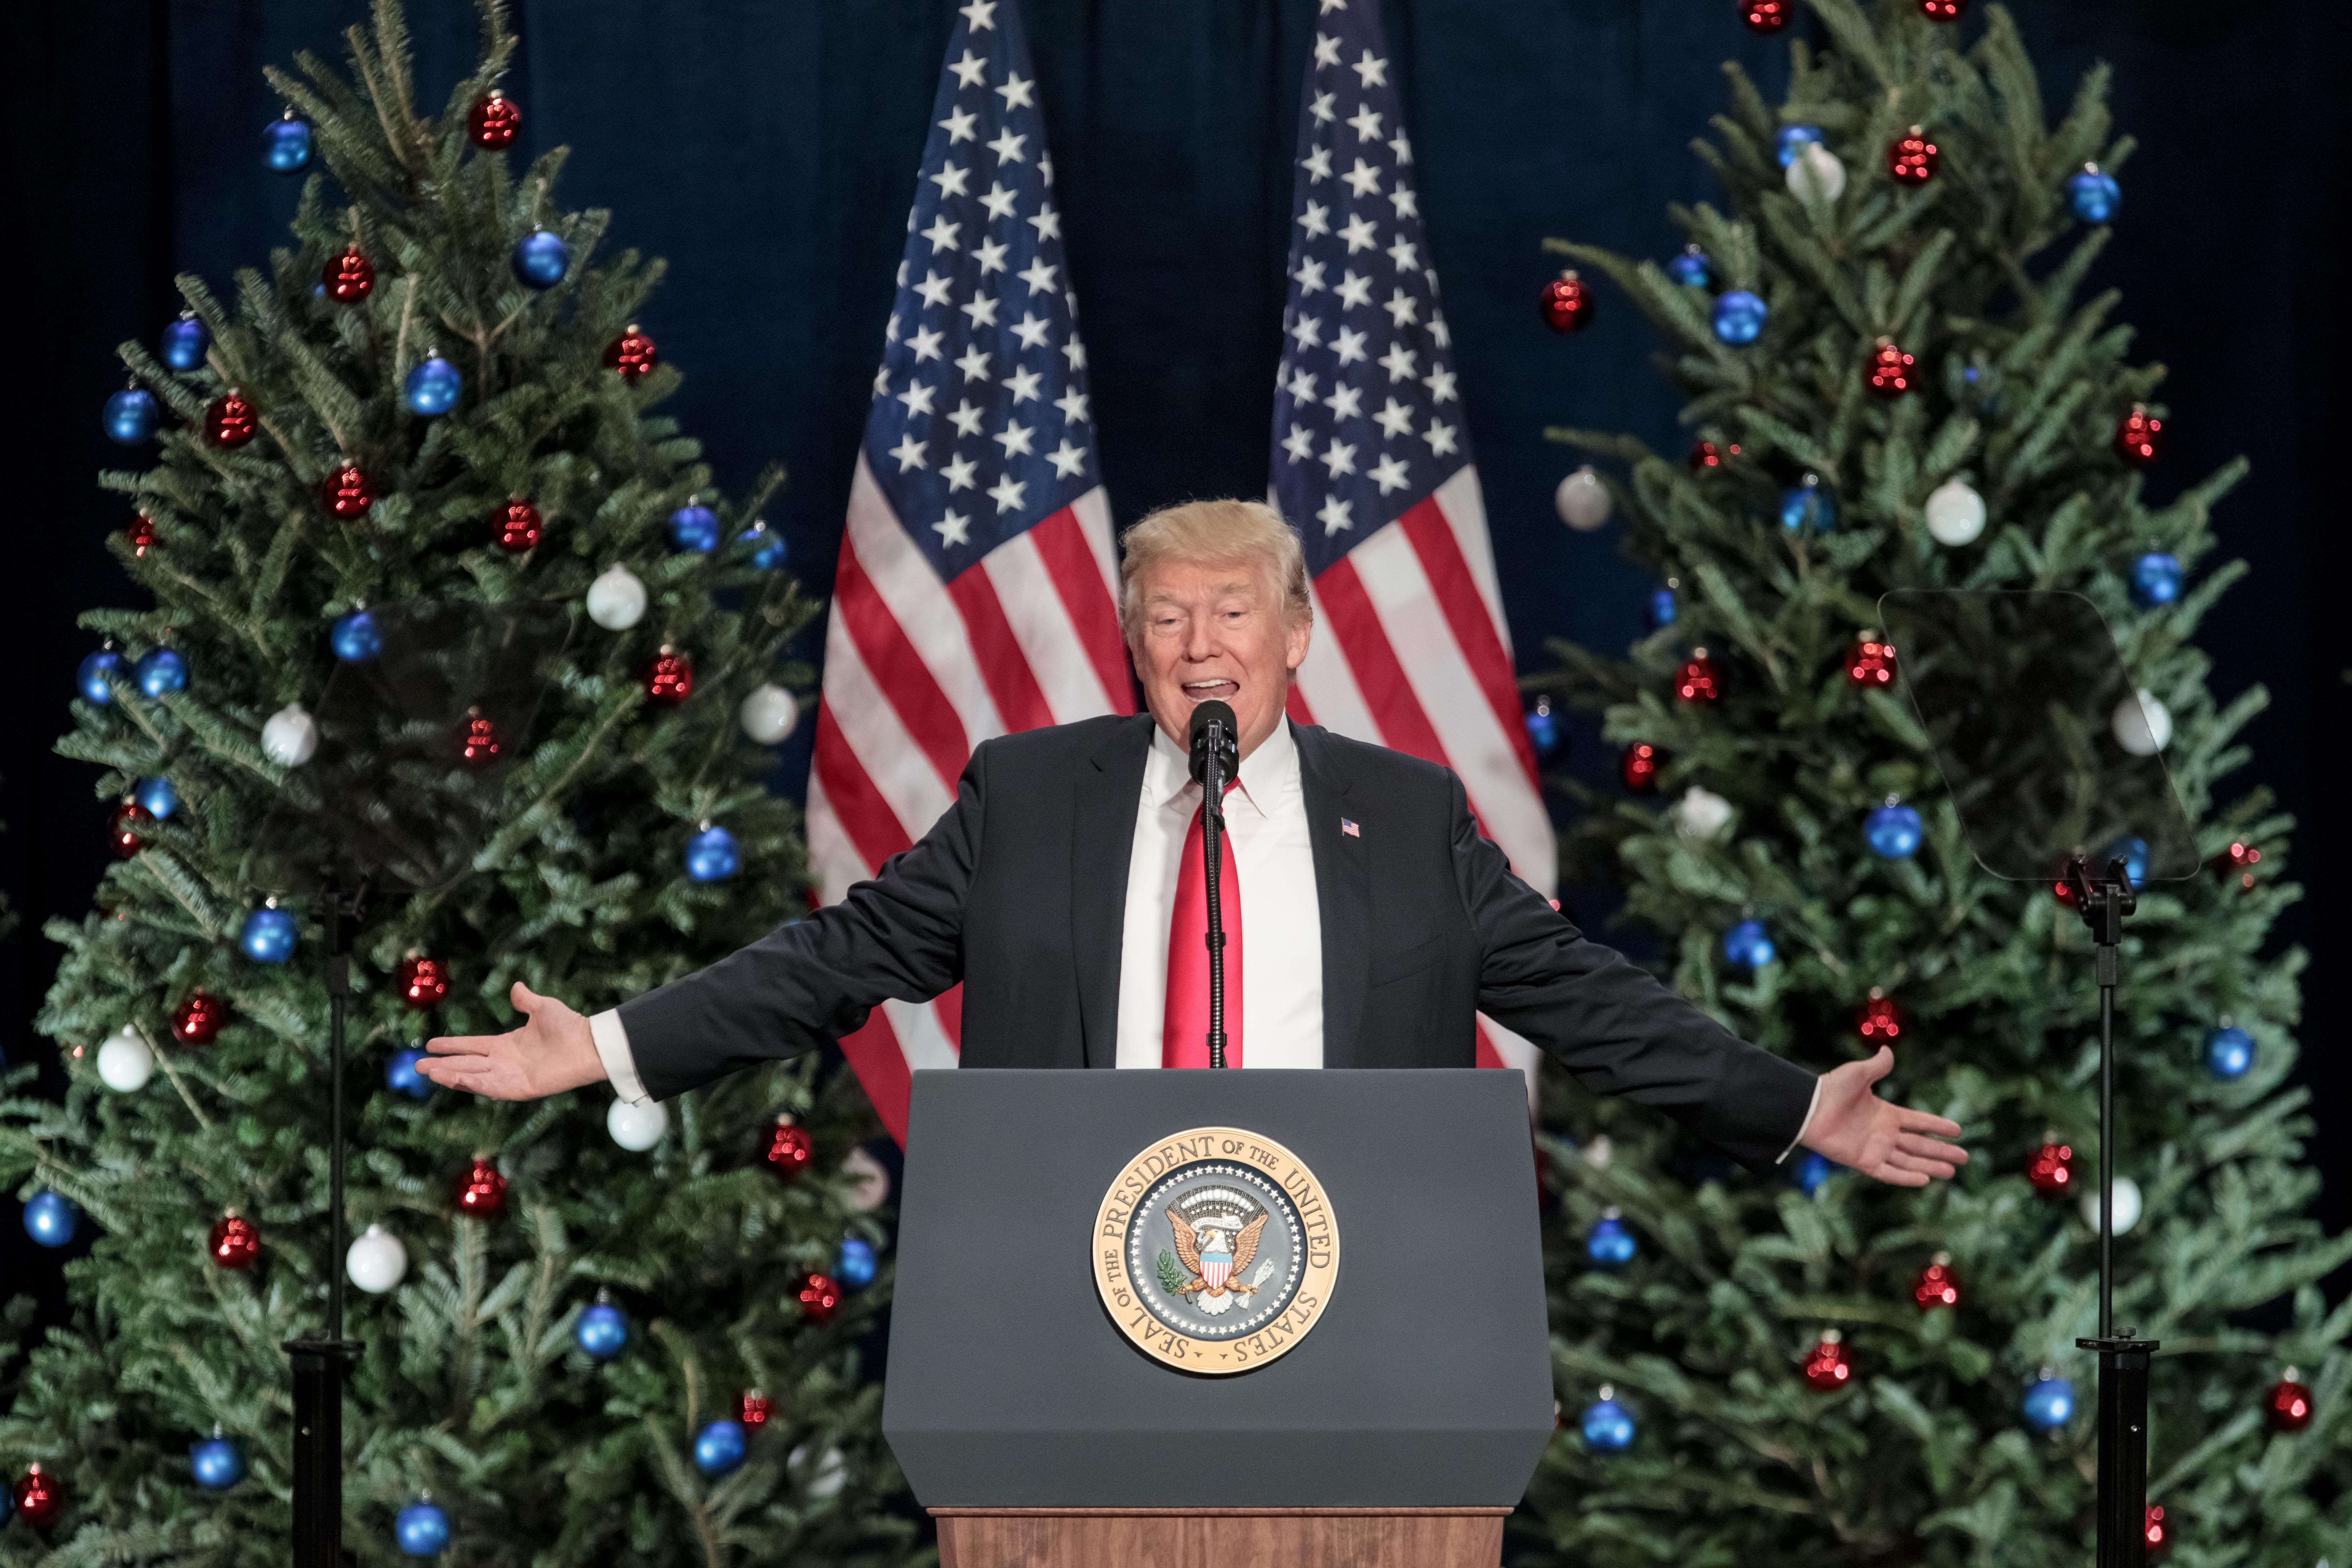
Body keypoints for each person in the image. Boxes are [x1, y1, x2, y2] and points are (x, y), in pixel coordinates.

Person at [420, 499, 1966, 1185]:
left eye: (1236, 610)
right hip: (1074, 1272)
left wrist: (1785, 1108)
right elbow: (839, 958)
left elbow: (1579, 996)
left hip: (1357, 1278)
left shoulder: (1410, 810)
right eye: (1168, 615)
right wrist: (611, 1048)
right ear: (1131, 647)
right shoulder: (1030, 795)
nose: (1201, 641)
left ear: (1297, 634)